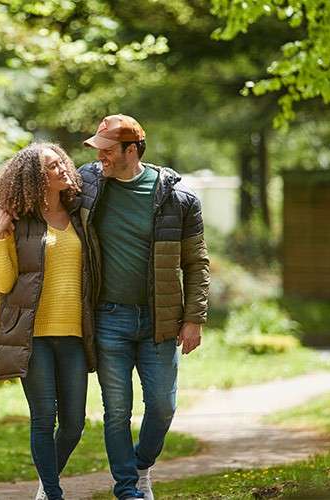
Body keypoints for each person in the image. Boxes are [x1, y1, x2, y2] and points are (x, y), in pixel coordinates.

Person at [77, 115, 210, 500]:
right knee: (116, 411)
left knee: (163, 407)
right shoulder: (88, 186)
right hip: (109, 318)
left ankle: (141, 466)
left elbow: (196, 262)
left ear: (130, 150)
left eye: (106, 149)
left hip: (161, 320)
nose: (99, 156)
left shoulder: (178, 199)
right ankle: (127, 490)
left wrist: (194, 318)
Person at [0, 142, 96, 500]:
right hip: (33, 337)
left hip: (74, 337)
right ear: (36, 179)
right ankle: (52, 493)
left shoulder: (80, 216)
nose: (64, 168)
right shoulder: (20, 223)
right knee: (42, 419)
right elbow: (3, 283)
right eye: (53, 166)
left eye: (61, 161)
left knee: (74, 424)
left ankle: (44, 484)